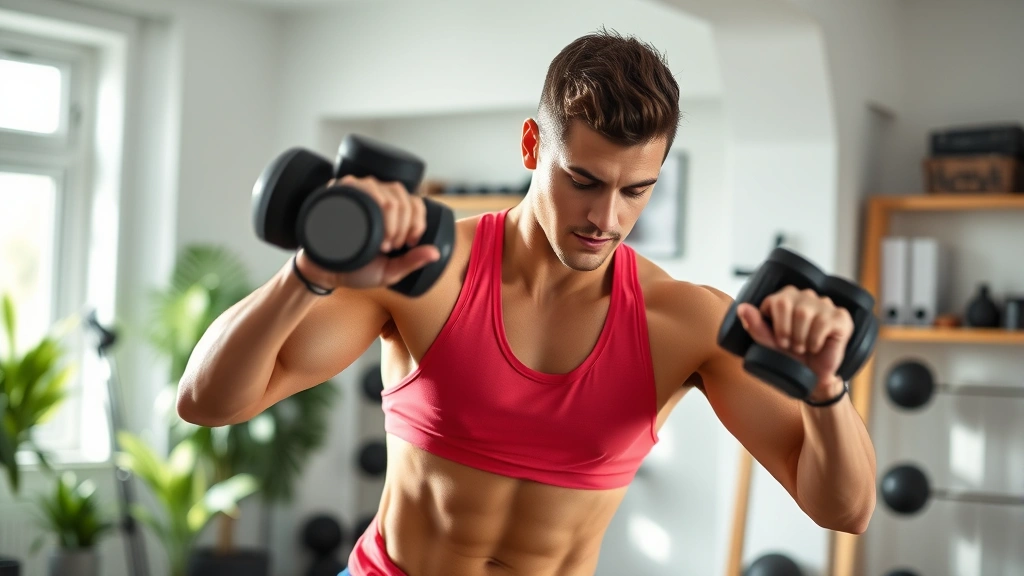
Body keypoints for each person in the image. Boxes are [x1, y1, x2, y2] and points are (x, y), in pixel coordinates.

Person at [177, 29, 877, 576]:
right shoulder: (423, 272)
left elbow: (843, 511)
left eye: (637, 189)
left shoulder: (684, 321)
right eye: (583, 179)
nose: (606, 215)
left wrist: (826, 391)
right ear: (531, 143)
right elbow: (208, 402)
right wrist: (312, 271)